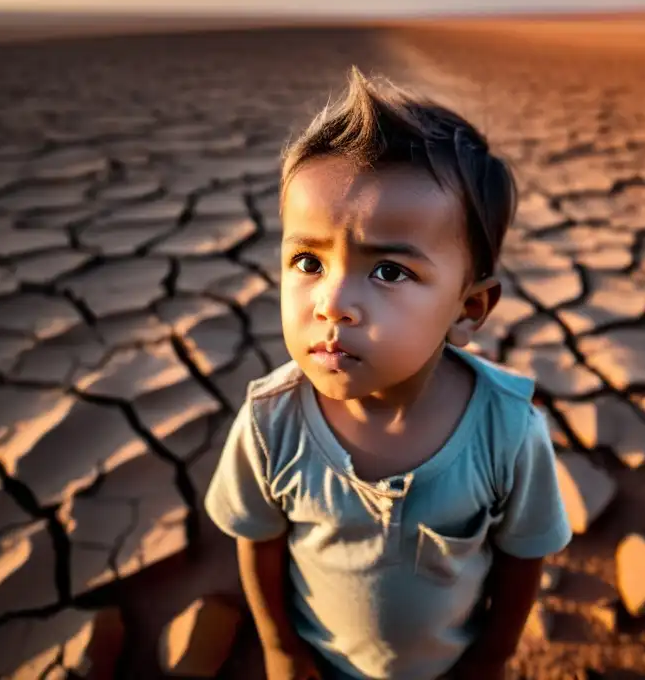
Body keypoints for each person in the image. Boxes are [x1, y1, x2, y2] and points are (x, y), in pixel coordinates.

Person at [205, 67, 572, 680]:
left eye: (390, 272)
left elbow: (521, 557)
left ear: (468, 308)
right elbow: (259, 540)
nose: (332, 303)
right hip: (321, 662)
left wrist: (492, 658)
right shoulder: (271, 422)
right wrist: (280, 647)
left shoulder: (507, 431)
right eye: (307, 261)